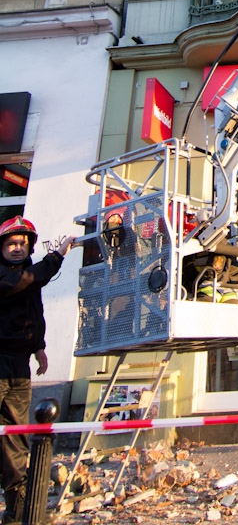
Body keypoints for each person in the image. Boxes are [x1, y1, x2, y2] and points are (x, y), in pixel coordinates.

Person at [0, 217, 74, 524]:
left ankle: (17, 506)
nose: (18, 249)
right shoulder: (8, 276)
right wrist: (56, 258)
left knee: (15, 435)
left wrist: (39, 347)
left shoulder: (29, 276)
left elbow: (34, 312)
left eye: (23, 244)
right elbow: (22, 283)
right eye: (12, 244)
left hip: (19, 364)